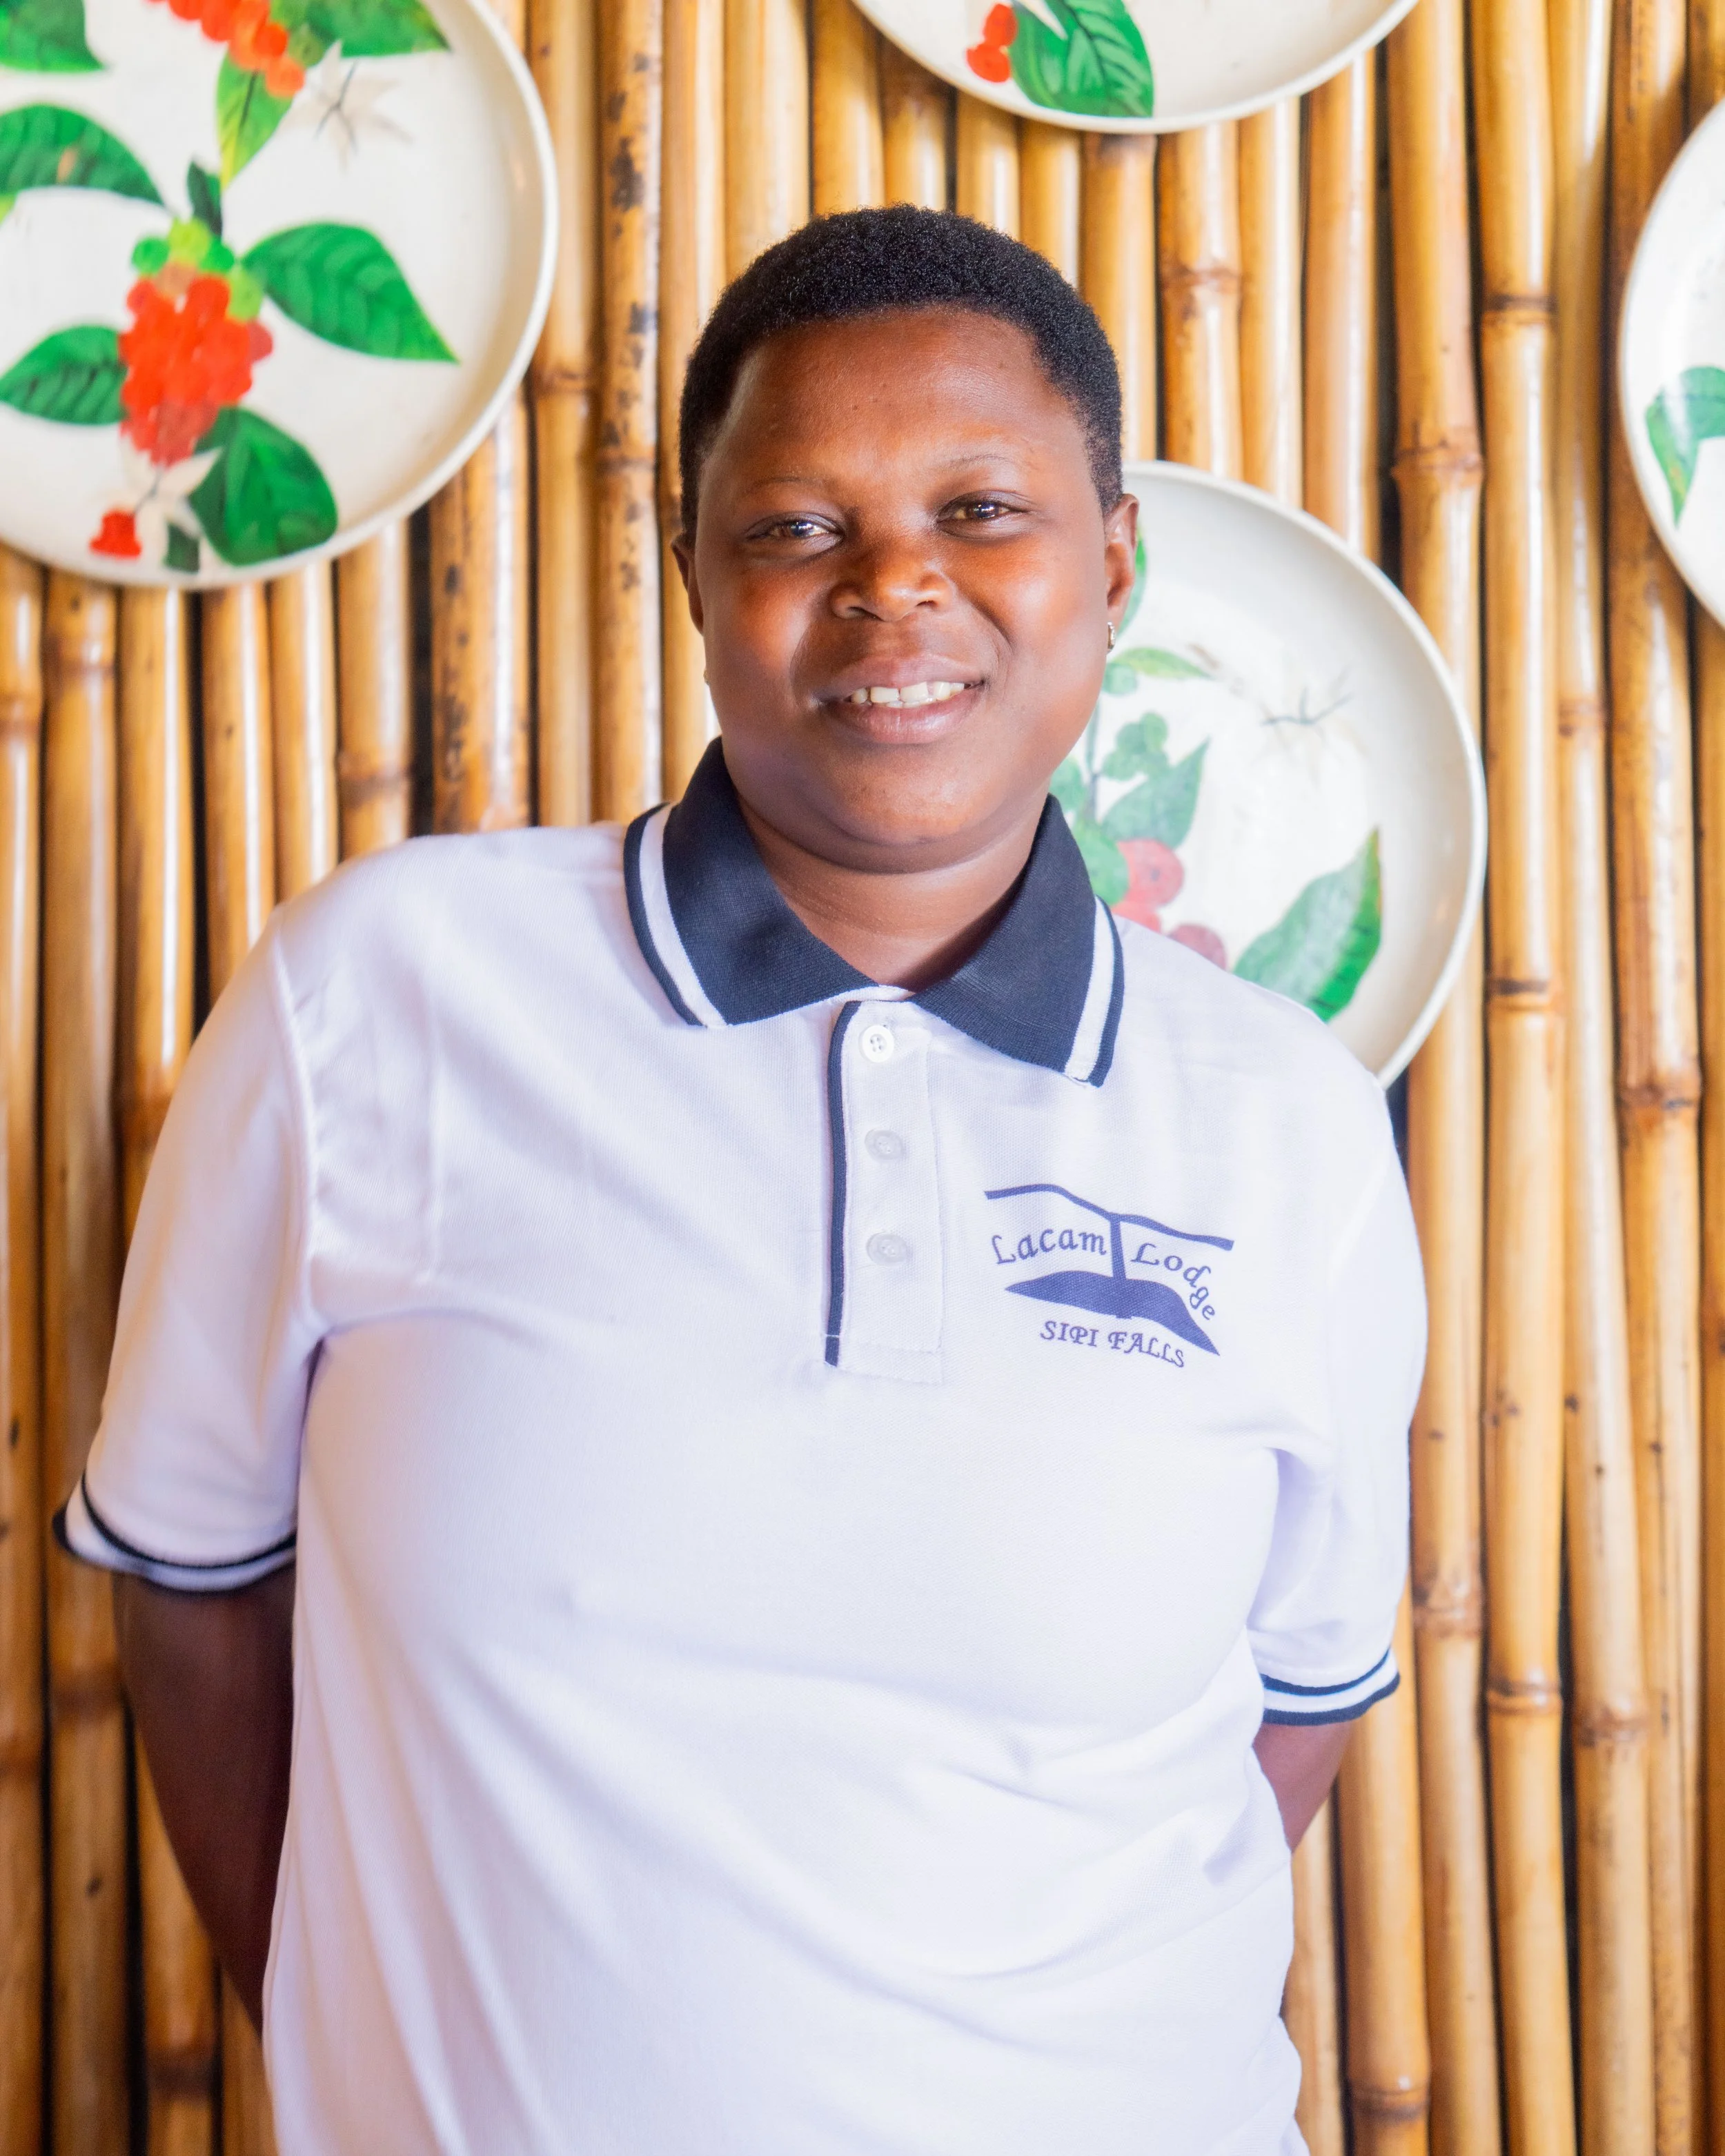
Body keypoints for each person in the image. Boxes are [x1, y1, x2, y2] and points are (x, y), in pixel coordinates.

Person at [63, 206, 1424, 2155]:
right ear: (688, 573)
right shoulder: (380, 995)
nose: (894, 588)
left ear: (1111, 564)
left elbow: (1278, 1721)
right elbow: (193, 1590)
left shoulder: (1279, 1121)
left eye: (981, 509)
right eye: (795, 525)